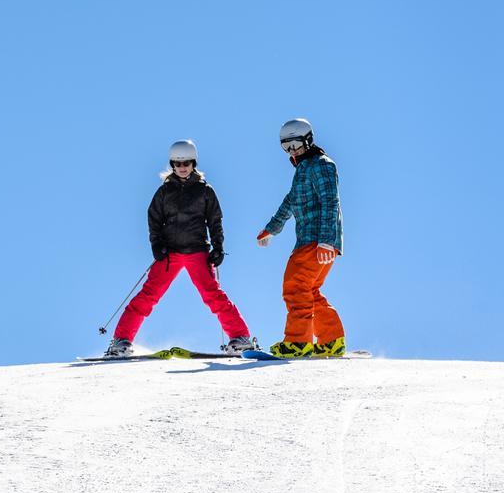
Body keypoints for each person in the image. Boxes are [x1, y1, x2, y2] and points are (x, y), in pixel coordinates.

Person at [104, 140, 257, 358]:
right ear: (172, 165)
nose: (182, 167)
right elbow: (154, 219)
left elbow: (215, 220)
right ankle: (121, 341)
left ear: (193, 163)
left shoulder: (205, 191)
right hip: (170, 253)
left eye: (186, 162)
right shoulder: (164, 191)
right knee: (148, 295)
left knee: (213, 295)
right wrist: (156, 244)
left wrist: (218, 246)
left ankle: (240, 337)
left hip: (197, 251)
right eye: (177, 163)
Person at [257, 119, 346, 358]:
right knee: (309, 290)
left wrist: (326, 240)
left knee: (295, 288)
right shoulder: (303, 169)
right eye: (286, 147)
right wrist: (271, 229)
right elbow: (290, 203)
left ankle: (298, 342)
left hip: (317, 240)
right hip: (312, 240)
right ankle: (331, 340)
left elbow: (331, 201)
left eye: (296, 144)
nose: (292, 151)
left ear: (308, 140)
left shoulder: (321, 165)